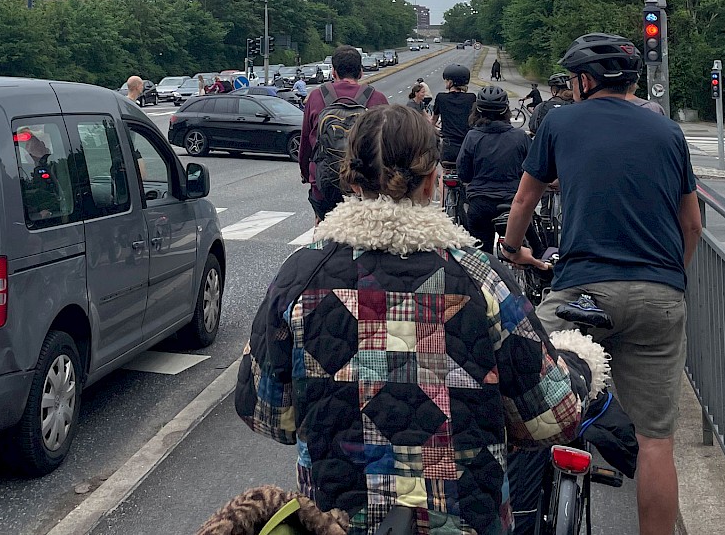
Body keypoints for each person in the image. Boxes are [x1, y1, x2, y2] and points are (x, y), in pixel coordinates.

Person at [237, 104, 602, 535]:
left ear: (351, 180)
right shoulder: (480, 277)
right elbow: (553, 417)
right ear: (432, 182)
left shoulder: (301, 276)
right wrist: (580, 361)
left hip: (335, 521)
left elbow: (266, 412)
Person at [499, 33, 704, 535]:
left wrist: (512, 249)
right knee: (656, 441)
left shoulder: (560, 121)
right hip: (659, 295)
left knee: (518, 385)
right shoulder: (668, 132)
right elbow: (692, 226)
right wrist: (670, 281)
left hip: (582, 291)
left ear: (586, 81)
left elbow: (524, 200)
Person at [297, 46, 387, 224]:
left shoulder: (316, 97)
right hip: (364, 186)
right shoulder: (377, 99)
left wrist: (307, 175)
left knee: (324, 227)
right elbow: (388, 146)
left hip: (325, 186)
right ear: (361, 72)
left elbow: (306, 143)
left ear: (333, 71)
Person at [456, 86, 532, 253]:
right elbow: (533, 170)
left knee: (481, 257)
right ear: (506, 111)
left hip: (480, 204)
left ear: (477, 111)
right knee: (533, 249)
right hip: (514, 203)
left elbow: (464, 173)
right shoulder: (520, 137)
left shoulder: (472, 137)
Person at [431, 63, 476, 168]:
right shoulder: (471, 98)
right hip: (466, 146)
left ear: (451, 82)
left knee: (445, 171)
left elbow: (433, 121)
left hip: (449, 147)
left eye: (446, 80)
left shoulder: (441, 98)